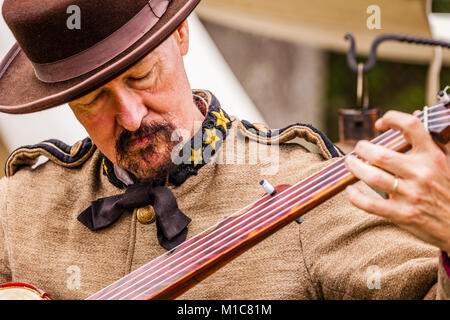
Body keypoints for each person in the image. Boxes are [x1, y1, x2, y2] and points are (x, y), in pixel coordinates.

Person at [0, 0, 449, 300]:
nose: (132, 117)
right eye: (93, 99)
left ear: (180, 35)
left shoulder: (309, 188)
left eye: (140, 76)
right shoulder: (19, 207)